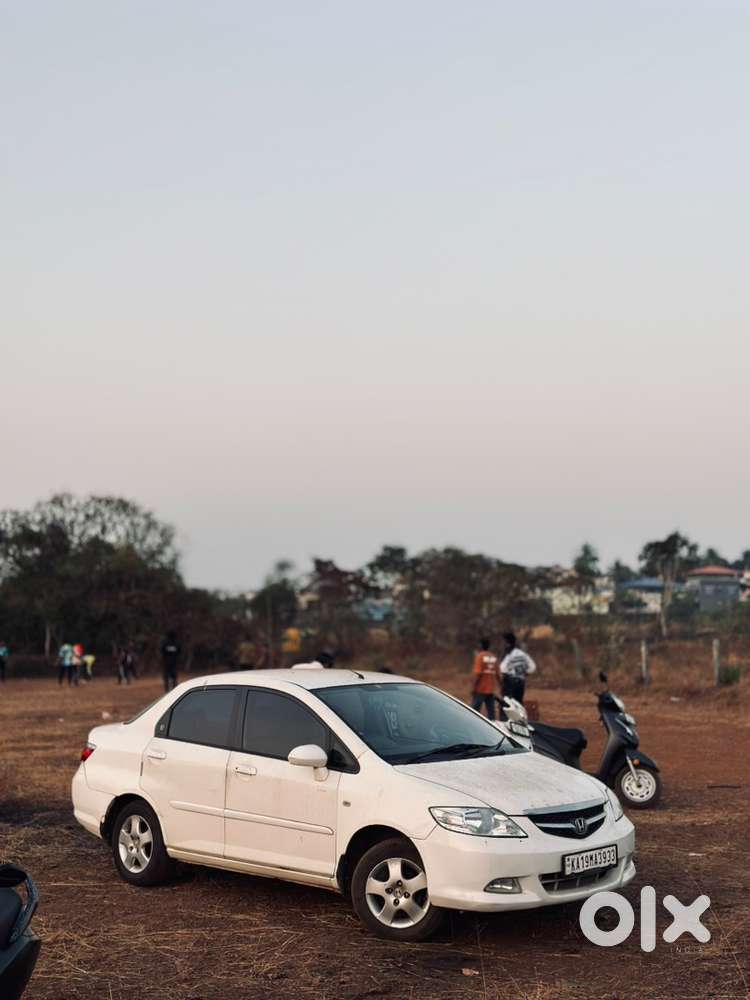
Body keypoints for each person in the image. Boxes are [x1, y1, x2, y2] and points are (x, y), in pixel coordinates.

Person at [500, 631, 536, 705]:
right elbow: (532, 667)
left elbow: (503, 669)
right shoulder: (522, 654)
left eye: (504, 642)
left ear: (508, 643)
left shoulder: (509, 654)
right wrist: (525, 673)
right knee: (518, 704)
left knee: (507, 705)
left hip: (510, 683)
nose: (503, 644)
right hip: (521, 683)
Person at [470, 637, 499, 719]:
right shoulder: (493, 657)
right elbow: (498, 674)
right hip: (491, 689)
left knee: (474, 711)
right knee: (491, 712)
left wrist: (473, 687)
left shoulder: (480, 657)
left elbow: (478, 674)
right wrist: (501, 687)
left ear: (481, 646)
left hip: (480, 689)